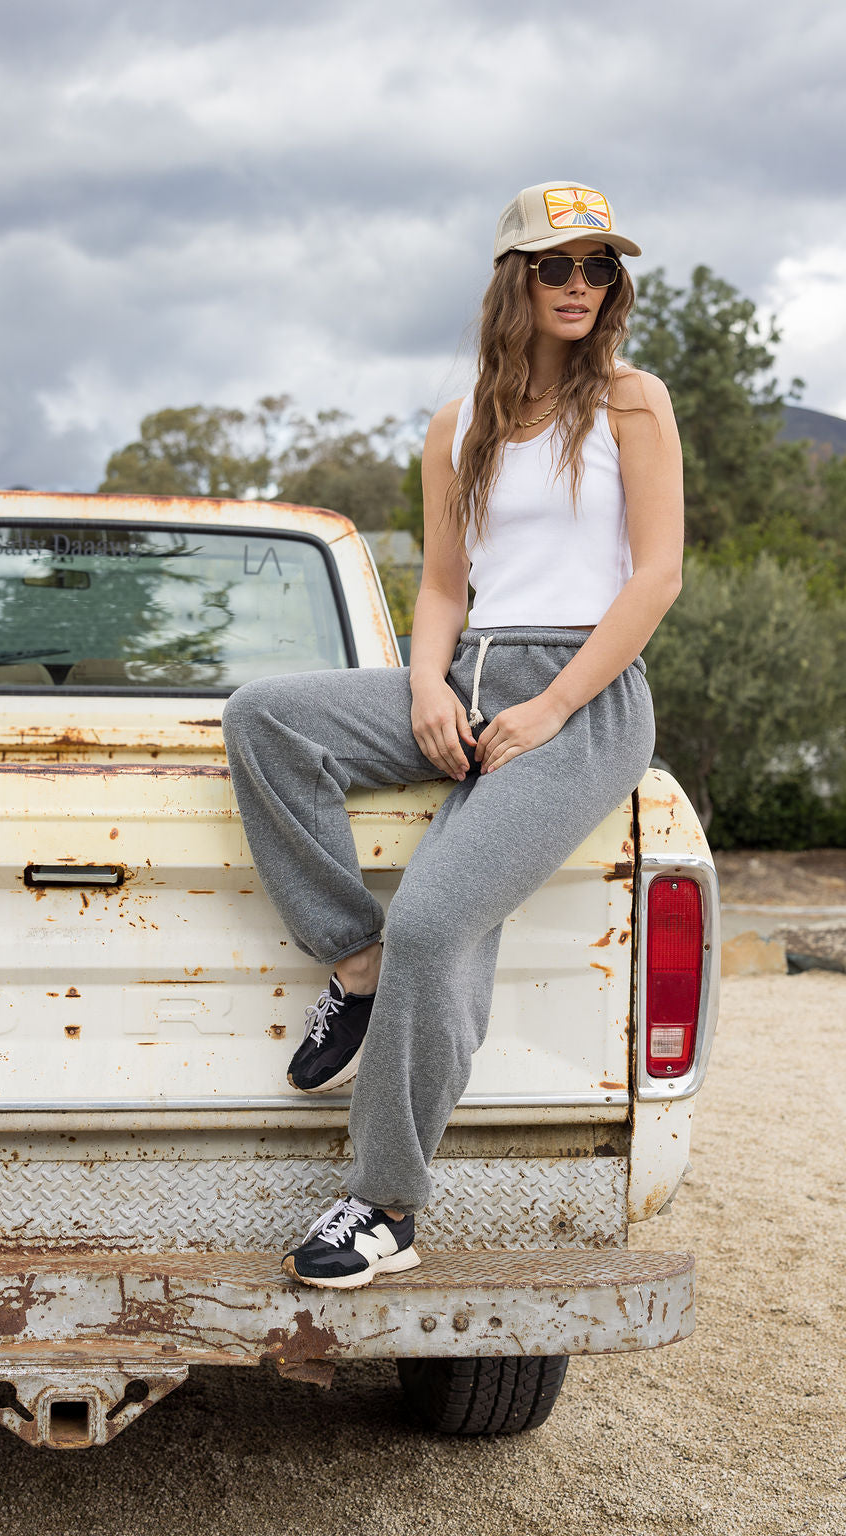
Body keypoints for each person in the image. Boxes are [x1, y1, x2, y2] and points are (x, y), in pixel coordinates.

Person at [221, 180, 684, 1290]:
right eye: (555, 266)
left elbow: (657, 575)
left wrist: (555, 704)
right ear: (509, 278)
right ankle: (353, 956)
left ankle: (384, 1203)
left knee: (436, 920)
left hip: (583, 693)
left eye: (598, 268)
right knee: (266, 718)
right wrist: (427, 684)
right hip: (471, 672)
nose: (579, 286)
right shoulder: (457, 424)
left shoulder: (632, 402)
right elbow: (439, 582)